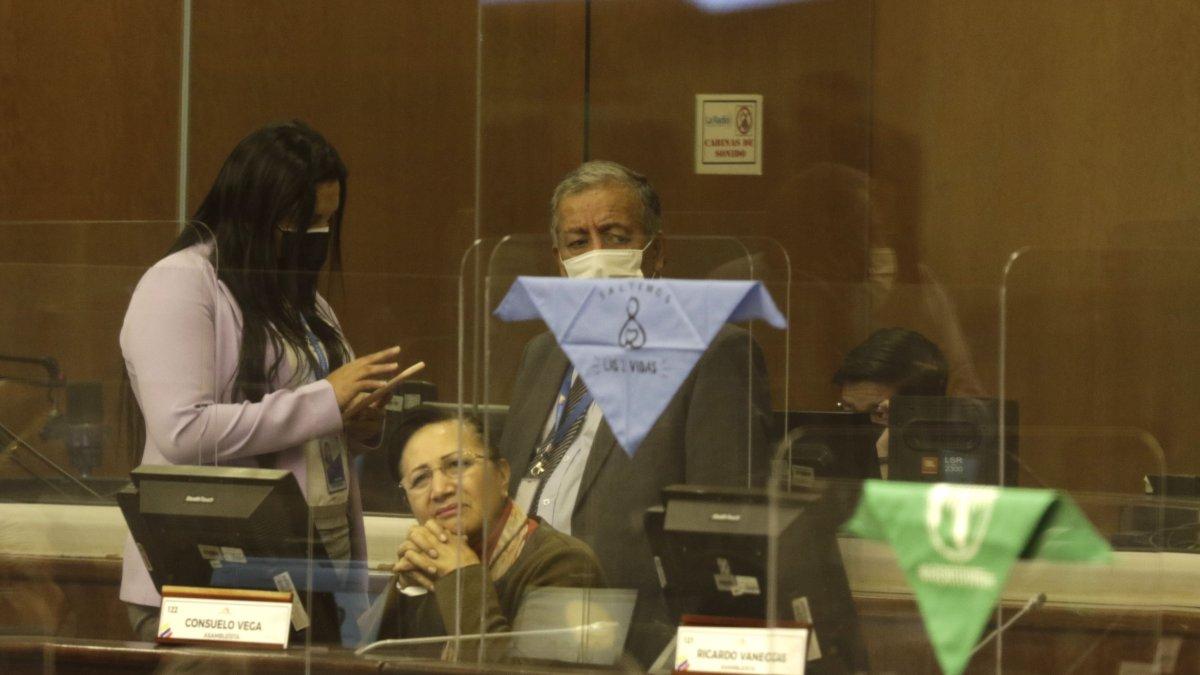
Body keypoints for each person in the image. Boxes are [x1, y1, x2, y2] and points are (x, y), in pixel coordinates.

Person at [119, 120, 413, 640]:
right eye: (302, 223)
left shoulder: (304, 302)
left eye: (327, 221)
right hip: (211, 586)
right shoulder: (181, 283)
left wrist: (358, 419)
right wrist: (326, 399)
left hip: (314, 575)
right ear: (254, 213)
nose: (316, 237)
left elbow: (311, 423)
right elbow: (183, 434)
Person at [497, 160, 773, 665]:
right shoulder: (542, 353)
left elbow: (726, 533)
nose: (596, 255)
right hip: (522, 620)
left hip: (637, 640)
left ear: (656, 252)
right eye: (579, 242)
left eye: (615, 236)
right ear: (559, 261)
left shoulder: (713, 352)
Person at [375, 407, 605, 660]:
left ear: (502, 475)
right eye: (420, 479)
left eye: (457, 464)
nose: (440, 489)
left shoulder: (562, 563)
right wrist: (408, 590)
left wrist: (461, 577)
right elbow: (373, 661)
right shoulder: (428, 561)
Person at [832, 327, 949, 478]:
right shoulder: (837, 452)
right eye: (848, 409)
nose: (857, 428)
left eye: (879, 413)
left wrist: (886, 460)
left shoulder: (952, 465)